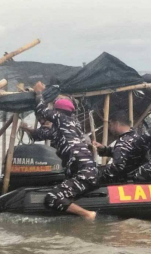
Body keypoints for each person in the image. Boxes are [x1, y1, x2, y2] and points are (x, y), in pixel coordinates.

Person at [34, 82, 99, 220]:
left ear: (57, 112)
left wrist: (39, 93)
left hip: (83, 171)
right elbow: (42, 135)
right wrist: (27, 129)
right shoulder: (72, 125)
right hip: (87, 169)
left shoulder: (61, 118)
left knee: (52, 197)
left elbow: (41, 110)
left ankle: (88, 215)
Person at [93, 111, 148, 183]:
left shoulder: (123, 142)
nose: (110, 128)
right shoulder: (135, 137)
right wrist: (104, 149)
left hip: (127, 183)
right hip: (139, 180)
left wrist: (95, 173)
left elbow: (116, 169)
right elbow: (126, 153)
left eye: (111, 125)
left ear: (117, 124)